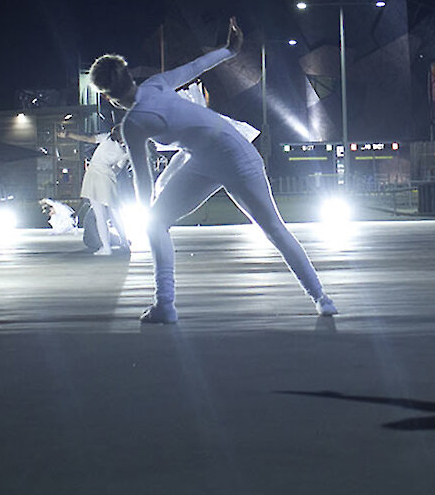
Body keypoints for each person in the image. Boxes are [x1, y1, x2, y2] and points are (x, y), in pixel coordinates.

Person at [90, 17, 335, 323]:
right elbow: (195, 67)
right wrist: (229, 51)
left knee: (159, 224)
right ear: (129, 75)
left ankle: (165, 305)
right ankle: (322, 299)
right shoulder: (155, 85)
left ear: (106, 96)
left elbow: (143, 176)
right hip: (217, 155)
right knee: (274, 228)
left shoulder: (133, 123)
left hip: (229, 156)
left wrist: (143, 211)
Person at [78, 130, 133, 254]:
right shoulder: (124, 152)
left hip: (94, 176)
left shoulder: (106, 138)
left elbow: (88, 138)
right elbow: (117, 170)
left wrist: (68, 134)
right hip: (108, 179)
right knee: (115, 213)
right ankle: (124, 241)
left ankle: (106, 247)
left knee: (100, 215)